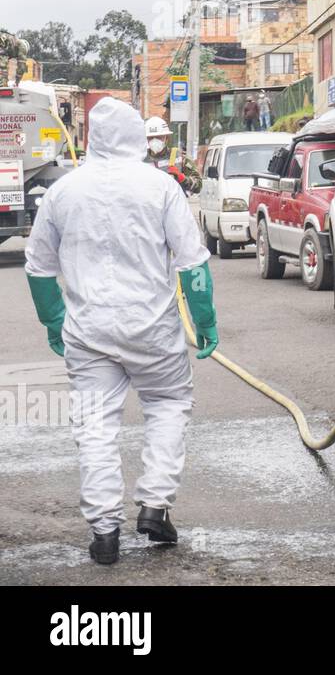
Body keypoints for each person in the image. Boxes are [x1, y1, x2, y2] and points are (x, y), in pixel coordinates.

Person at [24, 98, 219, 566]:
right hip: (152, 328)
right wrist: (206, 321)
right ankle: (155, 505)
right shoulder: (161, 187)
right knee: (169, 404)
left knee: (94, 423)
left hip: (88, 330)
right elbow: (192, 262)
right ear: (136, 138)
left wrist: (56, 323)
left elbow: (38, 267)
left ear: (91, 137)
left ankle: (104, 531)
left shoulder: (63, 192)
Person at [144, 116, 201, 196]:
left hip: (174, 206)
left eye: (158, 137)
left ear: (166, 138)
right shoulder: (141, 159)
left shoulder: (179, 157)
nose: (154, 140)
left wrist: (183, 178)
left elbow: (198, 185)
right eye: (150, 138)